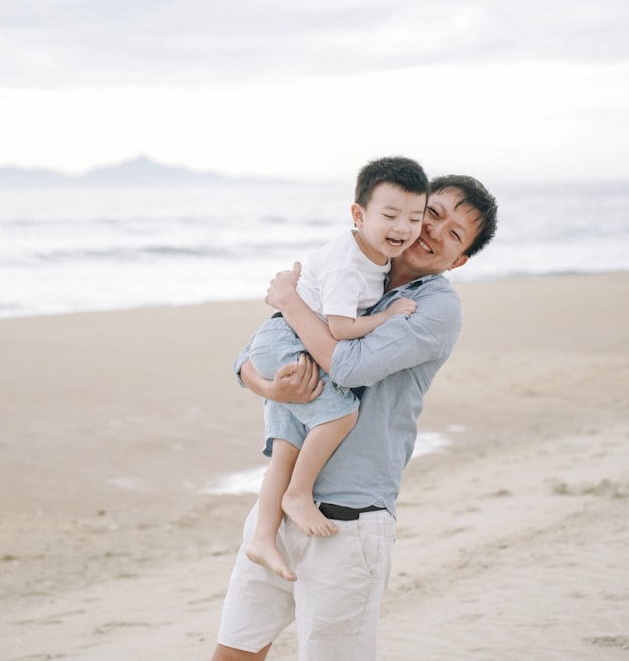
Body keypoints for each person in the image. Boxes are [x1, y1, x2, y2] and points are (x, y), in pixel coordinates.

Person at [212, 174, 499, 661]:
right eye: (431, 213)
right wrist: (268, 384)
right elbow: (254, 351)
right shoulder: (354, 268)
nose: (432, 232)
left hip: (347, 525)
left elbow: (347, 364)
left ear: (459, 260)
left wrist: (289, 300)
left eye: (454, 234)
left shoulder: (436, 307)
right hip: (276, 511)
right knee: (234, 654)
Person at [244, 157, 429, 583]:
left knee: (288, 444)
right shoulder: (349, 265)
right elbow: (341, 328)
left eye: (414, 218)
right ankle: (298, 494)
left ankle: (262, 537)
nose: (403, 228)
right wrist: (390, 315)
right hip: (287, 341)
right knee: (341, 413)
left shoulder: (372, 252)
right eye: (390, 215)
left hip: (286, 336)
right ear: (358, 214)